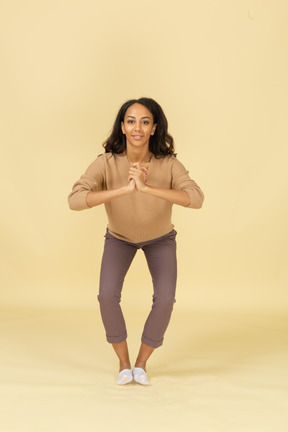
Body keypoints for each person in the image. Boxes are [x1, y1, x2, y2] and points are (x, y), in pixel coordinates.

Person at [68, 97, 204, 385]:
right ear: (122, 127)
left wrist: (147, 188)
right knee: (106, 296)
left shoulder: (168, 164)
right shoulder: (105, 163)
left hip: (160, 239)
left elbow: (196, 199)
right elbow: (75, 200)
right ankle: (124, 364)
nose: (137, 127)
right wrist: (123, 191)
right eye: (131, 121)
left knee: (165, 299)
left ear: (154, 128)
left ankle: (141, 364)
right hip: (119, 239)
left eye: (145, 121)